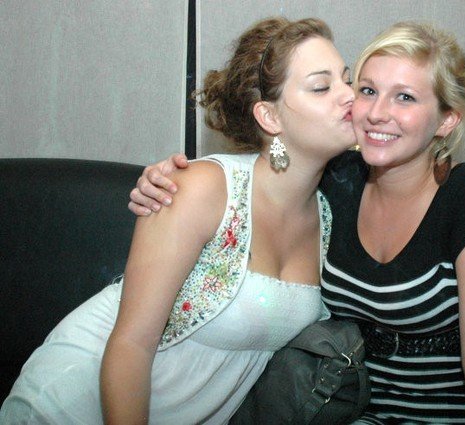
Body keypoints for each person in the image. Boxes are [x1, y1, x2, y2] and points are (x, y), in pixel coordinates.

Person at [129, 21, 465, 424]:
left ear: (447, 120)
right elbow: (266, 174)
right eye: (368, 90)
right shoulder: (336, 184)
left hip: (459, 410)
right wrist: (167, 180)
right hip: (360, 409)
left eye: (405, 97)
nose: (376, 113)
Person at [0, 17, 357, 424]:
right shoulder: (202, 189)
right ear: (269, 117)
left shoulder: (333, 210)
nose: (349, 95)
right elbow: (132, 344)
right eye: (322, 87)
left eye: (348, 80)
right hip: (78, 401)